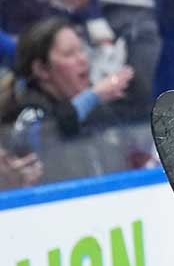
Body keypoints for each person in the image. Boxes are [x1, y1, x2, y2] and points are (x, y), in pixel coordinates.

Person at [0, 16, 146, 183]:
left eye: (81, 50)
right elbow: (50, 133)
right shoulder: (29, 113)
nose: (82, 59)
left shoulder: (96, 111)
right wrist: (92, 96)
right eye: (69, 53)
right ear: (41, 69)